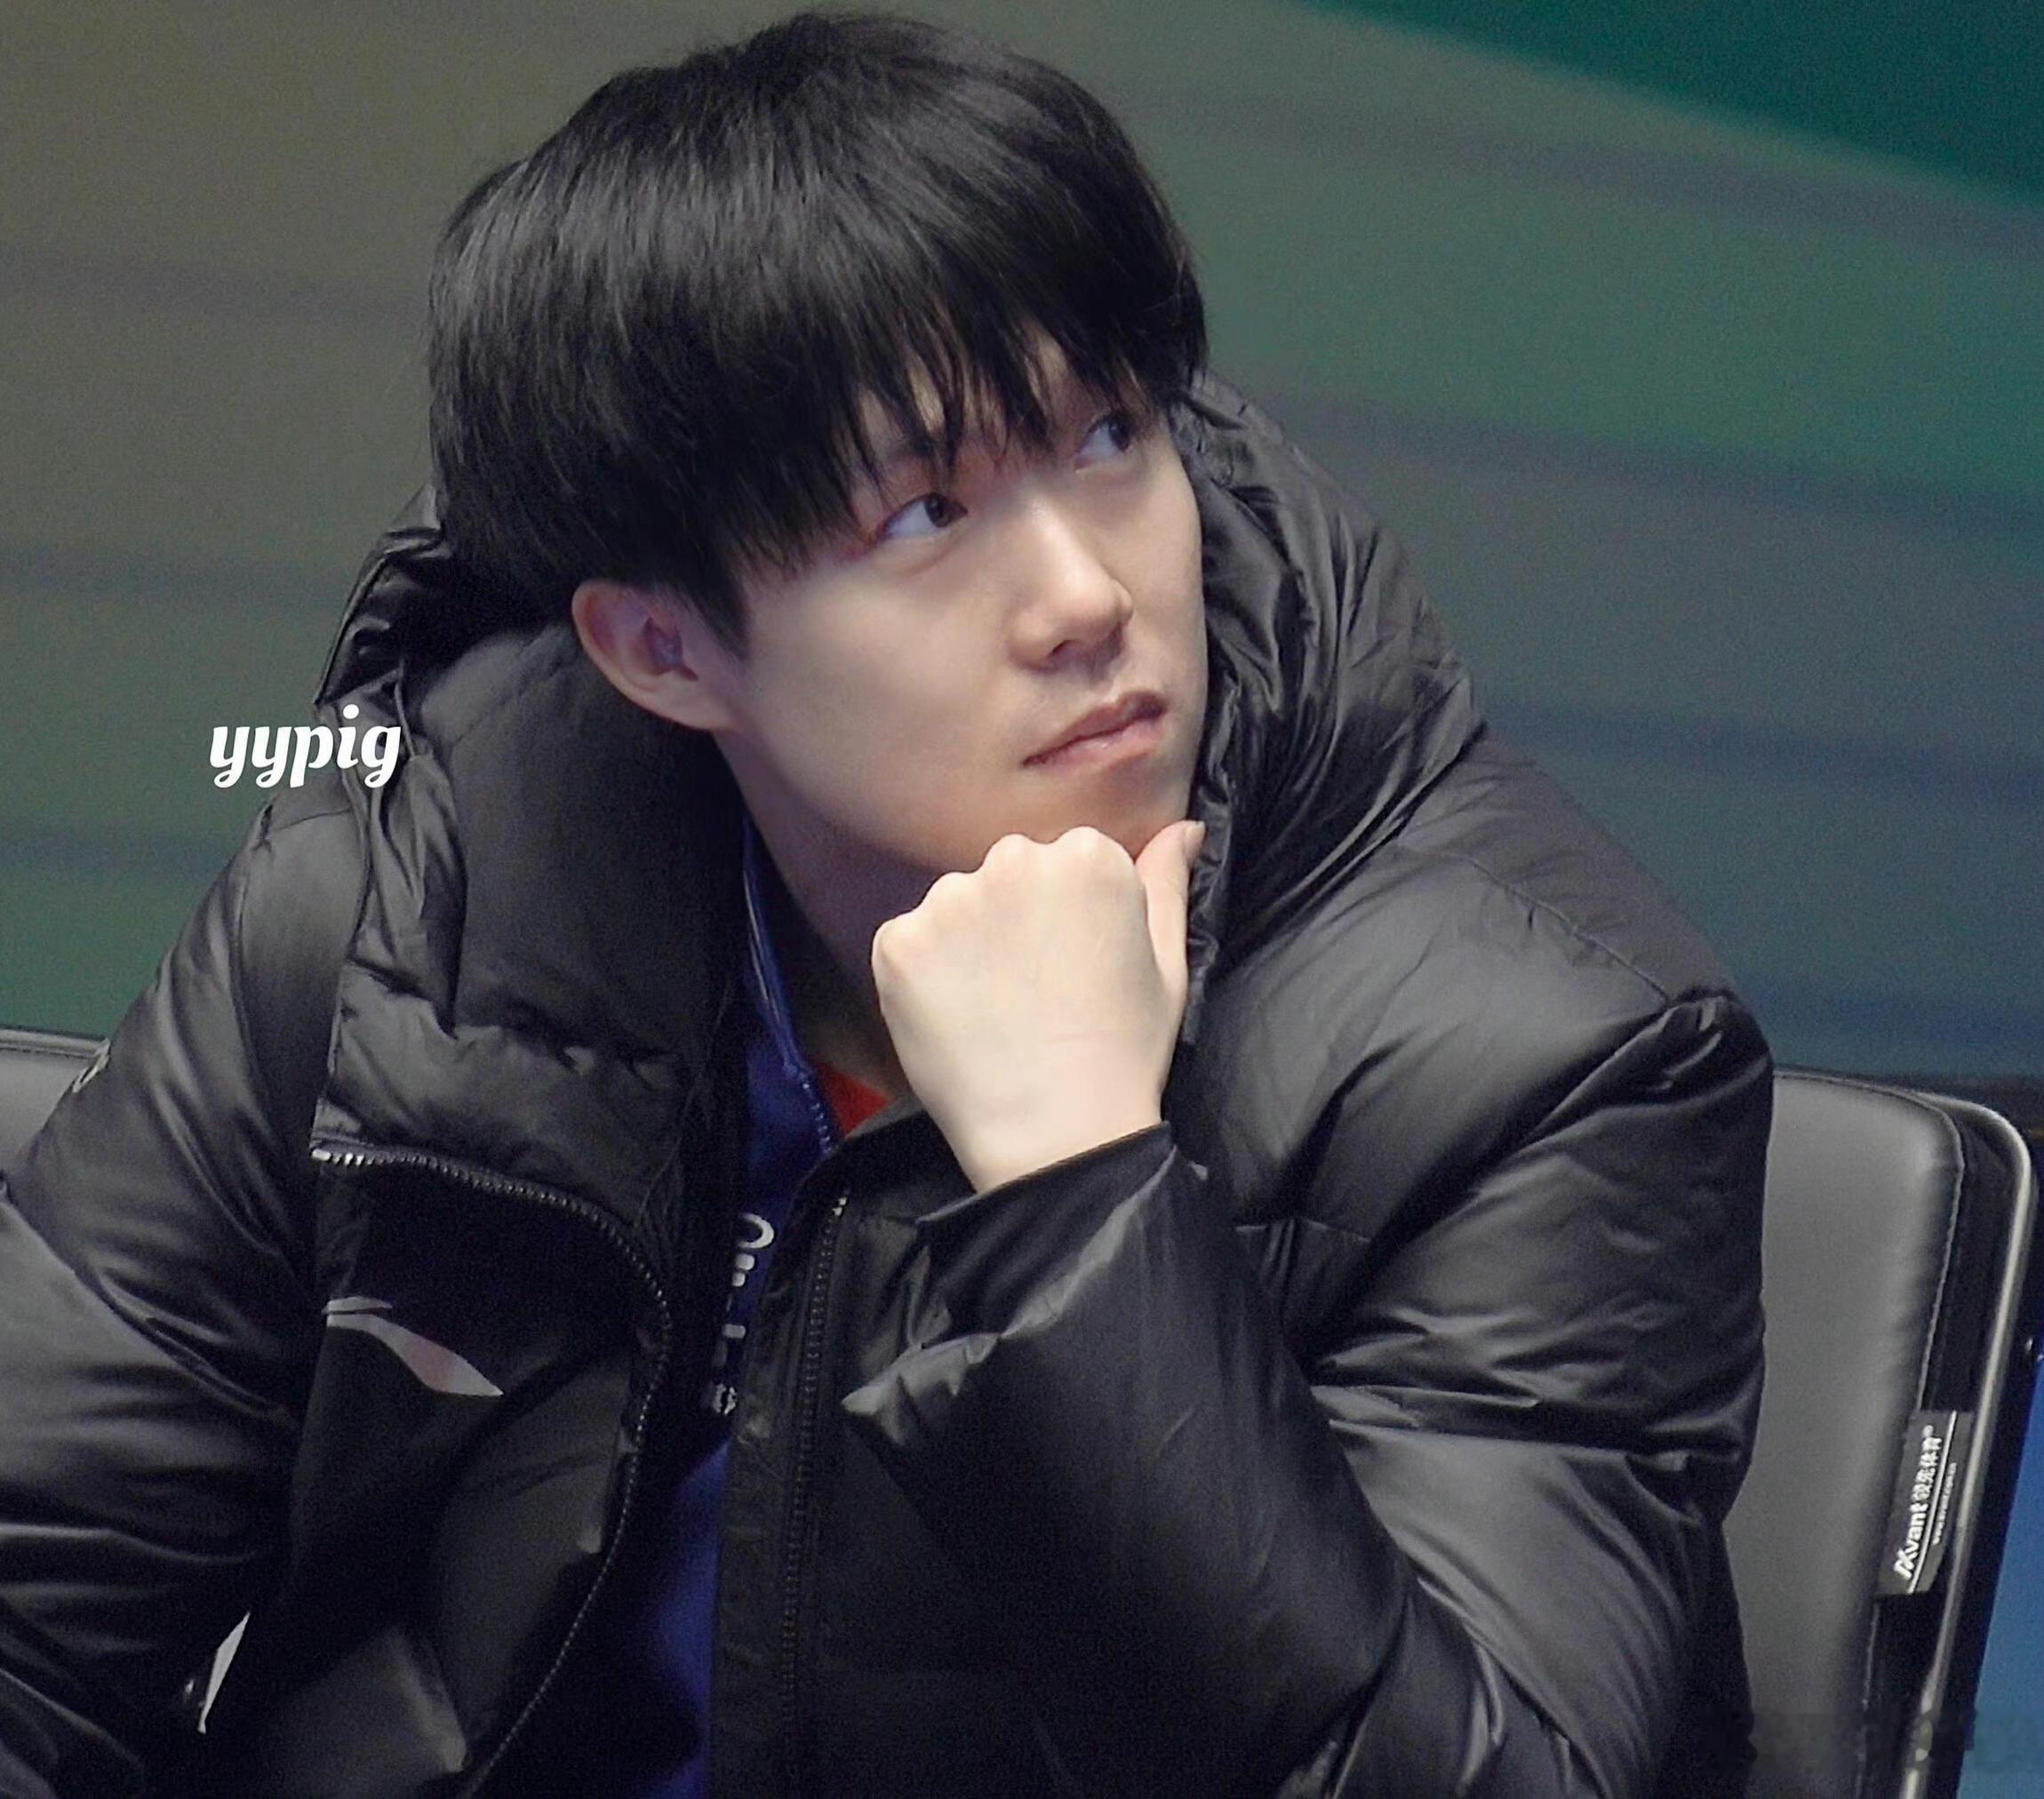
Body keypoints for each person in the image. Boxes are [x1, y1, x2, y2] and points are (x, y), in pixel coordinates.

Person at [0, 12, 1770, 1795]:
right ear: (664, 648)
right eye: (924, 515)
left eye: (1109, 435)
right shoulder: (402, 907)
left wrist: (1082, 1208)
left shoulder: (1538, 1062)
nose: (1085, 595)